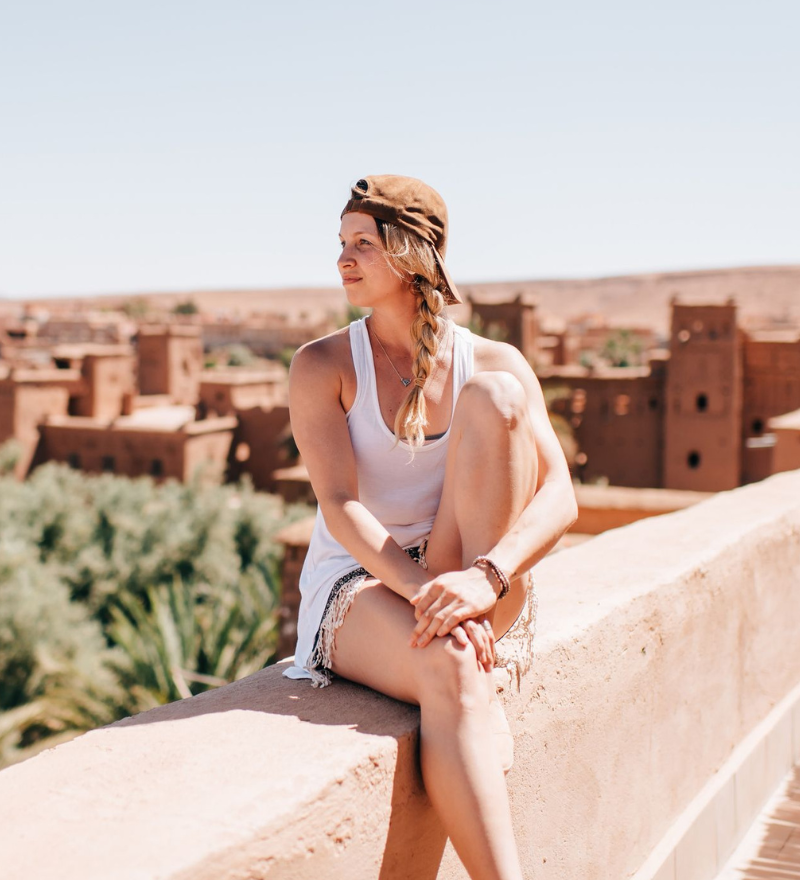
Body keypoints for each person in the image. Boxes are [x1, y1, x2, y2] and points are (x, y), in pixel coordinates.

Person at [283, 175, 577, 880]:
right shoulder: (322, 365)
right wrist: (425, 593)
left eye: (363, 243)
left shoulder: (494, 360)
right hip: (364, 579)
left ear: (412, 254)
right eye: (341, 244)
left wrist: (485, 578)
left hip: (473, 573)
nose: (343, 260)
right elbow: (339, 506)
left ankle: (468, 679)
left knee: (498, 396)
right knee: (451, 667)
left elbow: (562, 496)